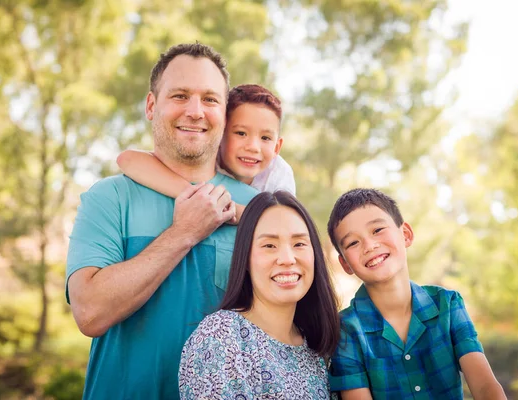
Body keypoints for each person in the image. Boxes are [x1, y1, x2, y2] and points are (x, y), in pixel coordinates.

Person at [66, 43, 258, 399]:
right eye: (180, 95)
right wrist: (184, 232)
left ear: (226, 114)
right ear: (152, 106)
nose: (196, 111)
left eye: (211, 100)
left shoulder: (258, 207)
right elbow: (89, 313)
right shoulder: (108, 198)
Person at [326, 189, 506, 399]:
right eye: (353, 243)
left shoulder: (447, 305)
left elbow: (485, 387)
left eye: (377, 230)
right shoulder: (345, 331)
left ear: (406, 235)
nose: (370, 245)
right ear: (345, 264)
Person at [178, 191, 340, 399]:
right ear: (245, 258)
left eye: (299, 244)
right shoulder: (222, 337)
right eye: (269, 246)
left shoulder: (315, 349)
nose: (287, 259)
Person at [116, 84, 295, 221]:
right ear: (220, 133)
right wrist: (201, 199)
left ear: (277, 148)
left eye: (265, 138)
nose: (253, 147)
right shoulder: (204, 157)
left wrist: (231, 210)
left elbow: (281, 222)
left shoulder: (278, 173)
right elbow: (128, 160)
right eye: (241, 133)